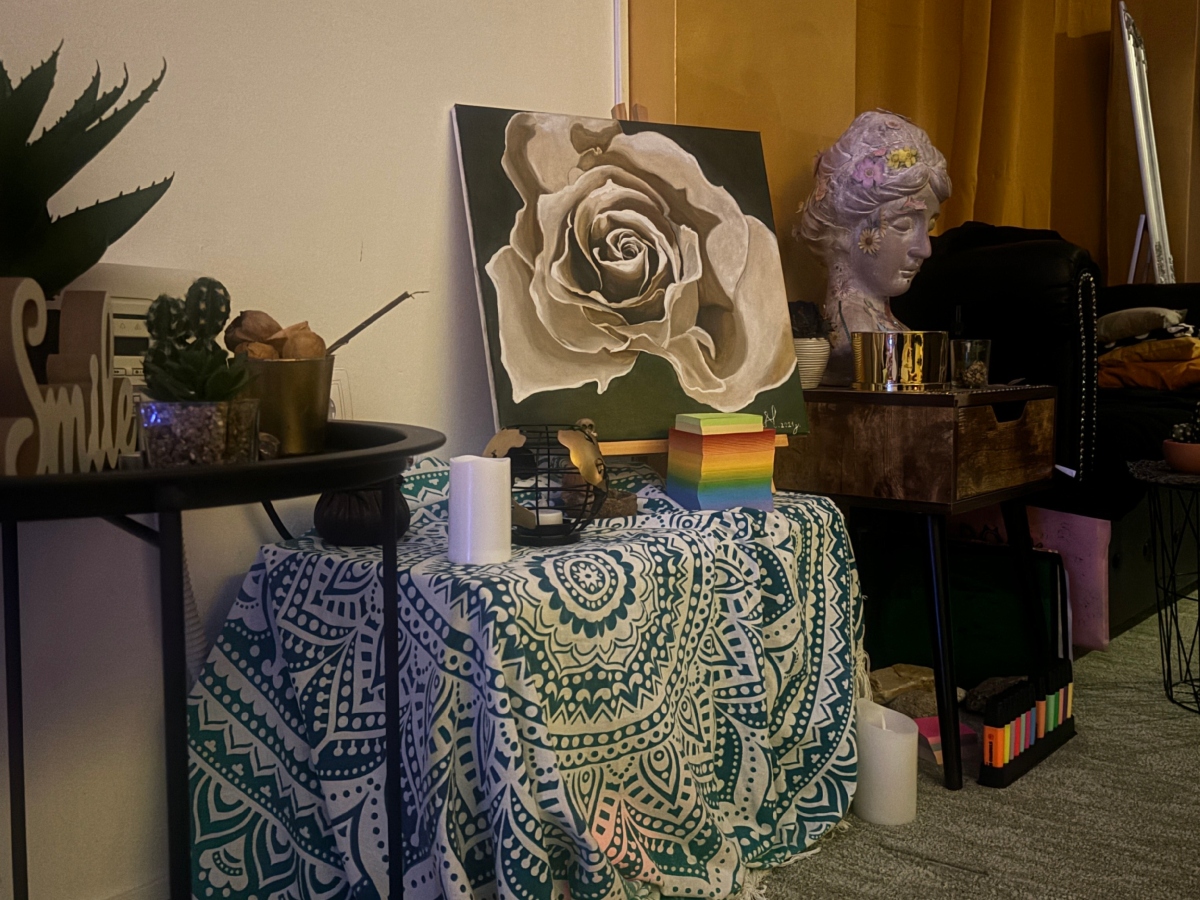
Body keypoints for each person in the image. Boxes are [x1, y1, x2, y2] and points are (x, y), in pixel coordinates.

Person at [797, 110, 951, 385]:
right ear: (843, 232)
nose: (925, 249)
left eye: (928, 228)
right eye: (903, 225)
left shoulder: (893, 332)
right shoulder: (850, 340)